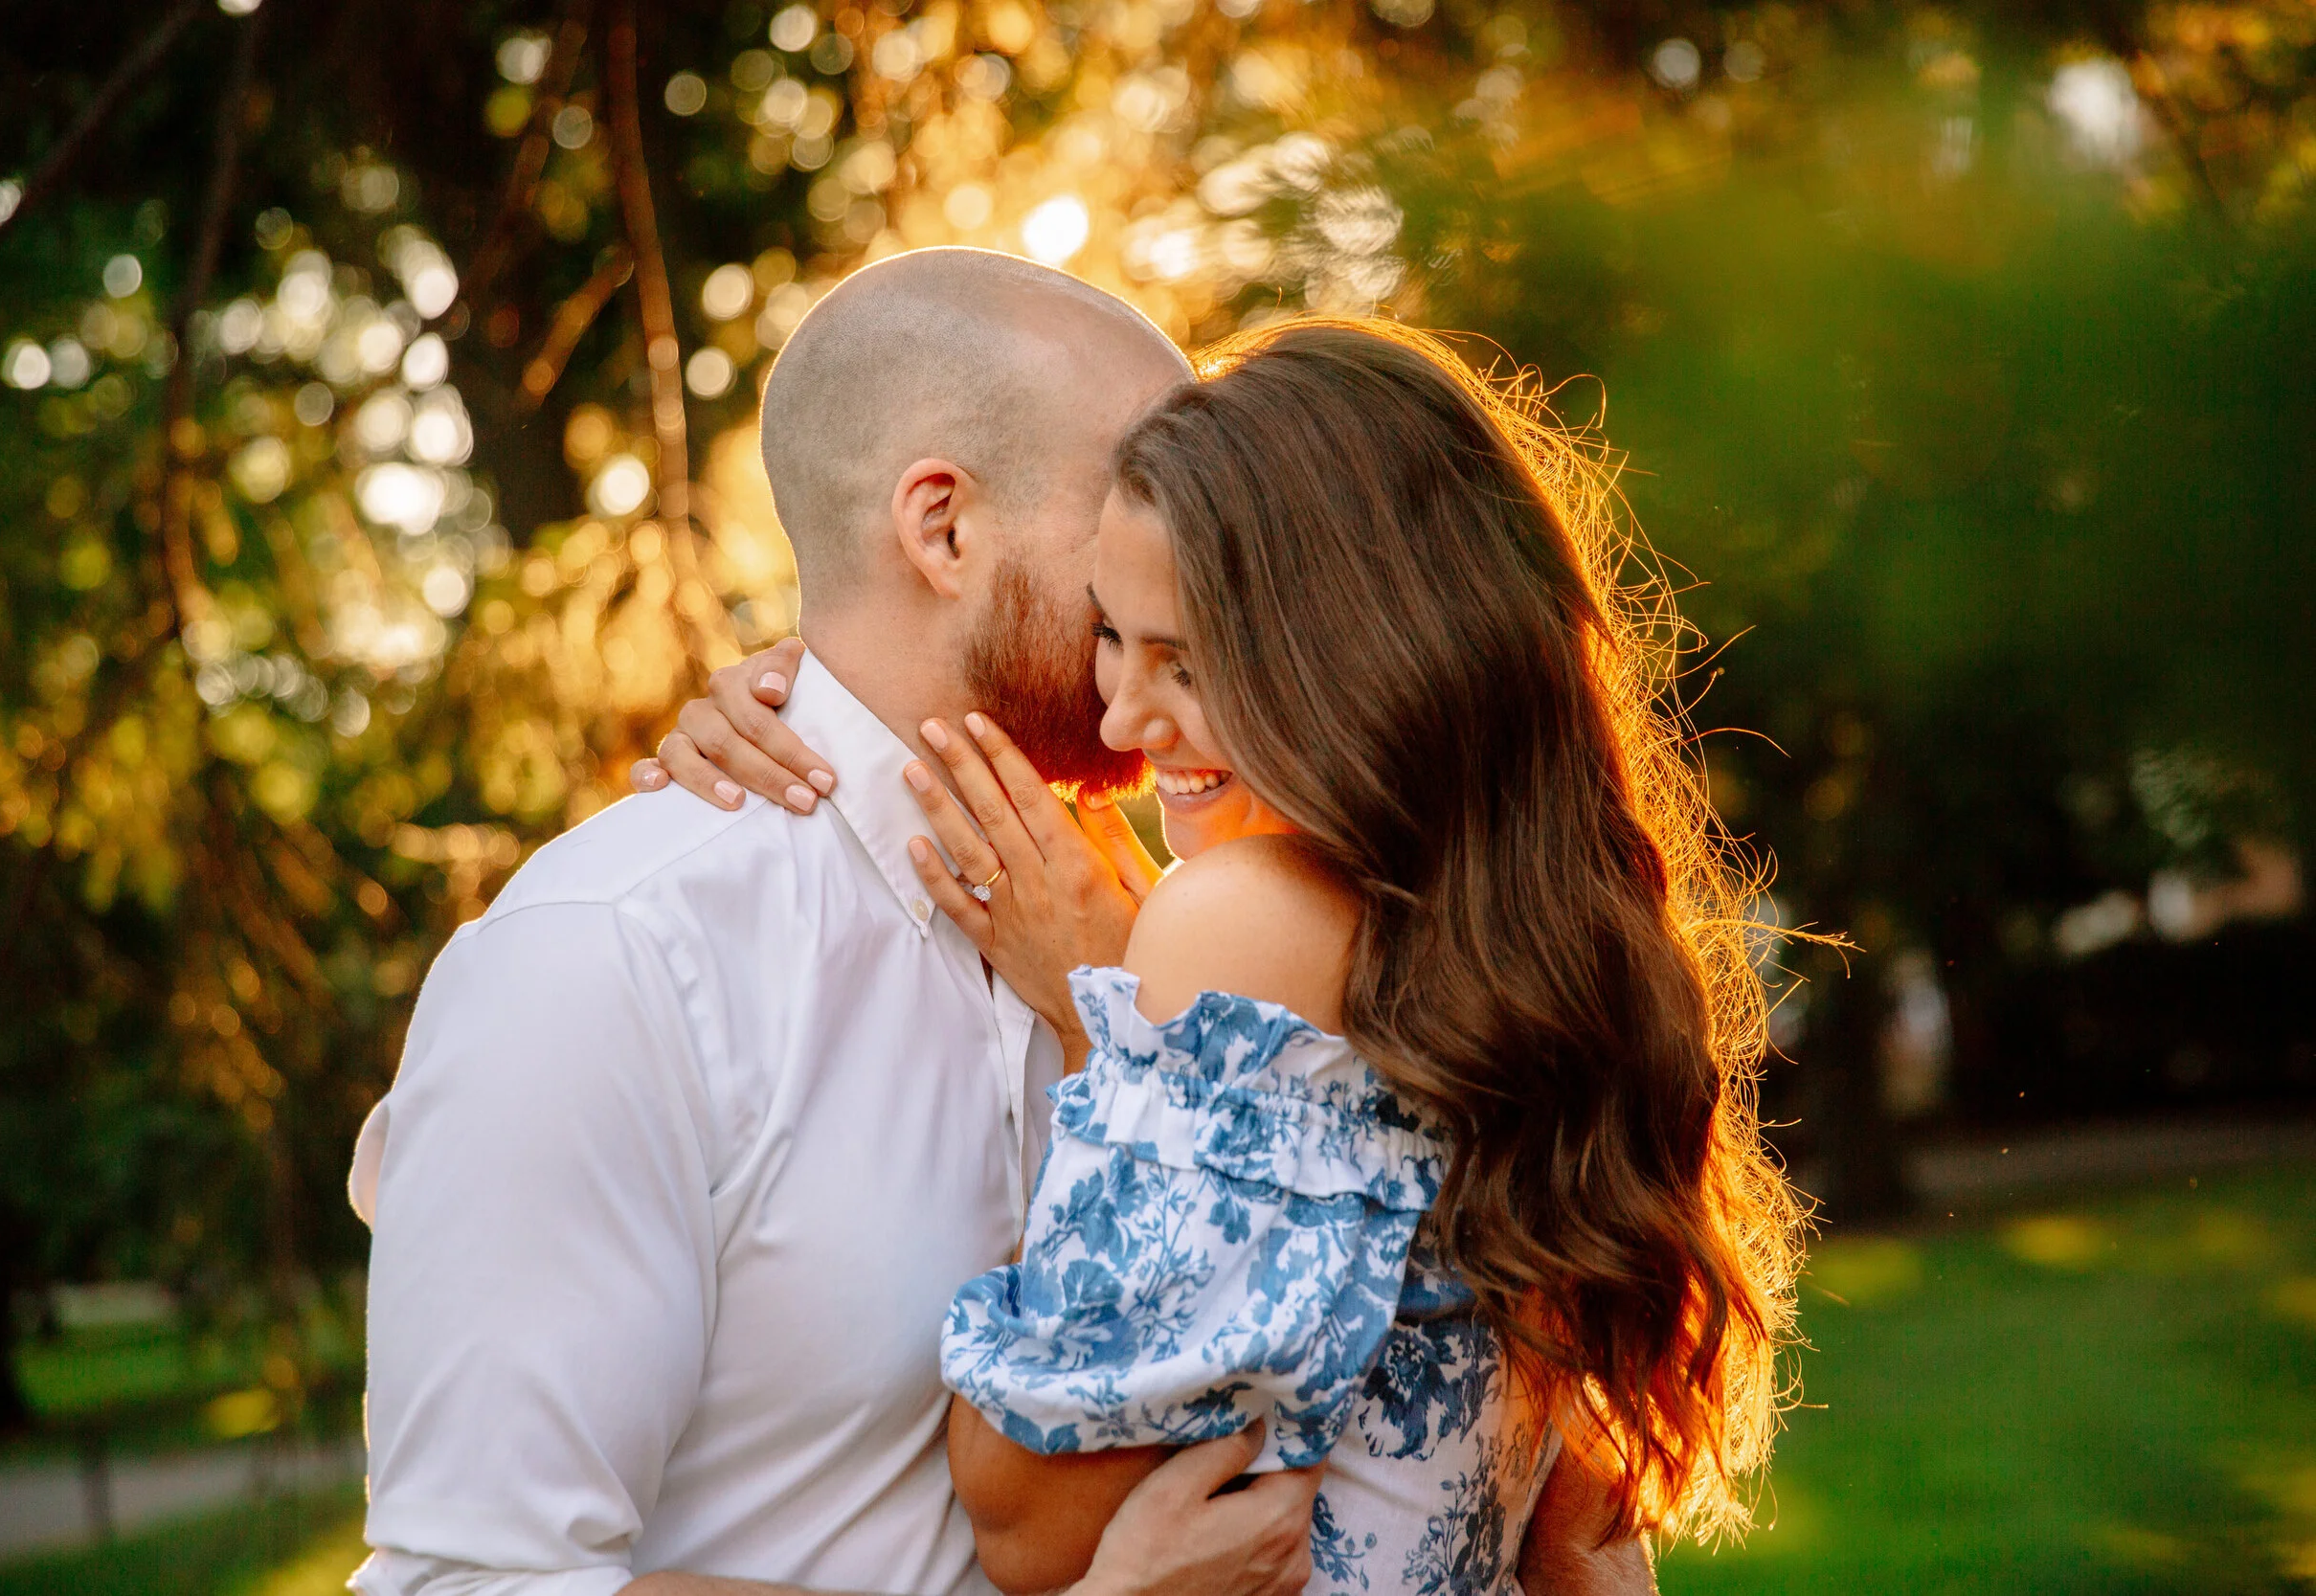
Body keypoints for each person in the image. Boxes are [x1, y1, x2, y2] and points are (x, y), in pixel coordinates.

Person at [640, 319, 1806, 1593]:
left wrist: (1111, 1037)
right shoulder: (1525, 950)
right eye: (1110, 637)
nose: (1129, 725)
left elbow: (1030, 1522)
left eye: (1184, 661)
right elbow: (1584, 1545)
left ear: (1348, 656)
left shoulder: (1233, 919)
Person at [347, 247, 1328, 1596]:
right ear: (942, 529)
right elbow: (475, 1584)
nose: (1188, 560)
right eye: (1134, 500)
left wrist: (1127, 1011)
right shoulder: (609, 954)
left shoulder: (1165, 920)